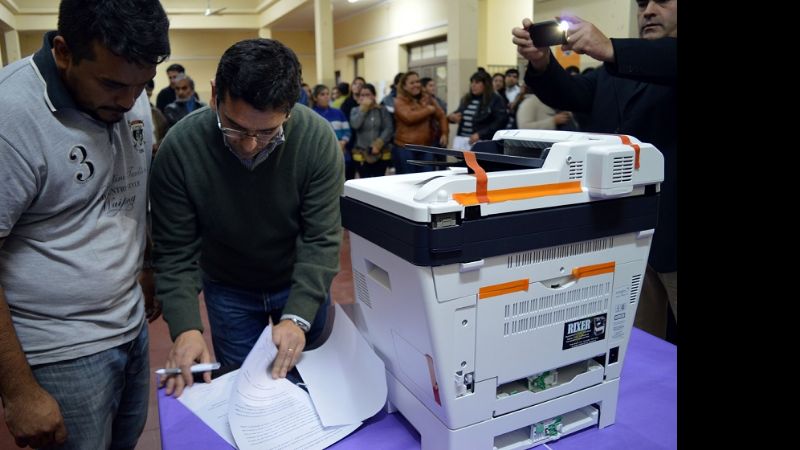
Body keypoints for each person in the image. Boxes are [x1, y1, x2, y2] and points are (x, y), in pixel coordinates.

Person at [0, 0, 169, 448]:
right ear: (63, 51)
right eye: (113, 84)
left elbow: (132, 191)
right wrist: (18, 390)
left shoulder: (129, 96)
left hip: (129, 324)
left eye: (143, 85)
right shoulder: (10, 117)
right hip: (59, 350)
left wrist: (147, 264)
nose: (130, 100)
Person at [150, 38, 344, 398]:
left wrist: (297, 315)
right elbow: (175, 250)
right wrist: (186, 328)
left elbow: (322, 238)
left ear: (290, 108)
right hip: (228, 287)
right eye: (235, 127)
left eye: (268, 132)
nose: (250, 144)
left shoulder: (316, 139)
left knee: (315, 385)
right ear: (213, 95)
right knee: (243, 387)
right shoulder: (179, 148)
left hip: (297, 278)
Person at [512, 0, 677, 341]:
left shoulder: (633, 59)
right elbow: (574, 93)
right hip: (628, 236)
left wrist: (611, 47)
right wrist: (543, 63)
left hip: (673, 234)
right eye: (642, 3)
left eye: (661, 1)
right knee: (641, 345)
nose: (647, 11)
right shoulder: (617, 71)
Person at [350, 83, 393, 177]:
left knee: (379, 181)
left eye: (368, 94)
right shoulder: (355, 110)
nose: (365, 97)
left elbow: (388, 128)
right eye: (362, 95)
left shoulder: (382, 110)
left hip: (380, 152)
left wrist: (378, 144)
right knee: (364, 183)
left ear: (374, 96)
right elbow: (355, 125)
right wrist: (364, 109)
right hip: (361, 153)